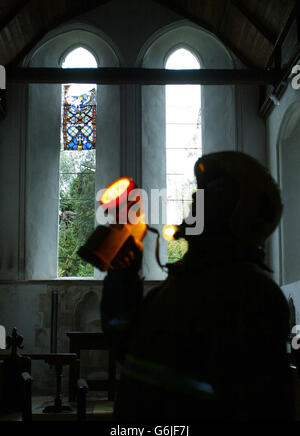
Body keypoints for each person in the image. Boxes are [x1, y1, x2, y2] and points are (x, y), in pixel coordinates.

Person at [100, 151, 294, 421]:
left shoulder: (252, 293)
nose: (195, 198)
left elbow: (259, 407)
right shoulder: (180, 283)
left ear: (241, 210)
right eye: (199, 190)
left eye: (210, 192)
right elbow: (126, 346)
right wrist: (123, 275)